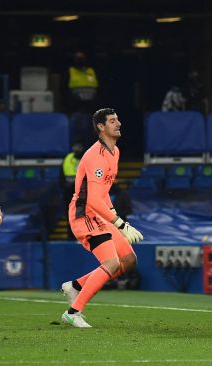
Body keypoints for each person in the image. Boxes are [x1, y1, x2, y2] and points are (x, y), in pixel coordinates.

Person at [60, 108, 143, 328]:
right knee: (112, 262)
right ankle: (73, 312)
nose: (119, 123)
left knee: (128, 261)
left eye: (118, 119)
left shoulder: (115, 152)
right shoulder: (94, 156)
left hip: (99, 213)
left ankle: (76, 285)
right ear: (101, 127)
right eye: (113, 121)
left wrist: (113, 215)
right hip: (83, 214)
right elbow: (93, 200)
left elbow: (103, 192)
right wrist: (120, 224)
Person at [67, 52, 99, 147]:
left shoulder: (92, 72)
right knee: (75, 137)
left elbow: (98, 92)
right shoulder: (70, 72)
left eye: (82, 58)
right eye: (78, 58)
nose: (80, 60)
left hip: (90, 111)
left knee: (89, 137)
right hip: (75, 111)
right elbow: (63, 91)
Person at [61, 142, 84, 239]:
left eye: (78, 146)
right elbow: (61, 178)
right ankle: (71, 237)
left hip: (84, 195)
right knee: (71, 218)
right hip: (69, 194)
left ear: (82, 147)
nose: (76, 148)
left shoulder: (87, 158)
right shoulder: (67, 159)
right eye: (74, 146)